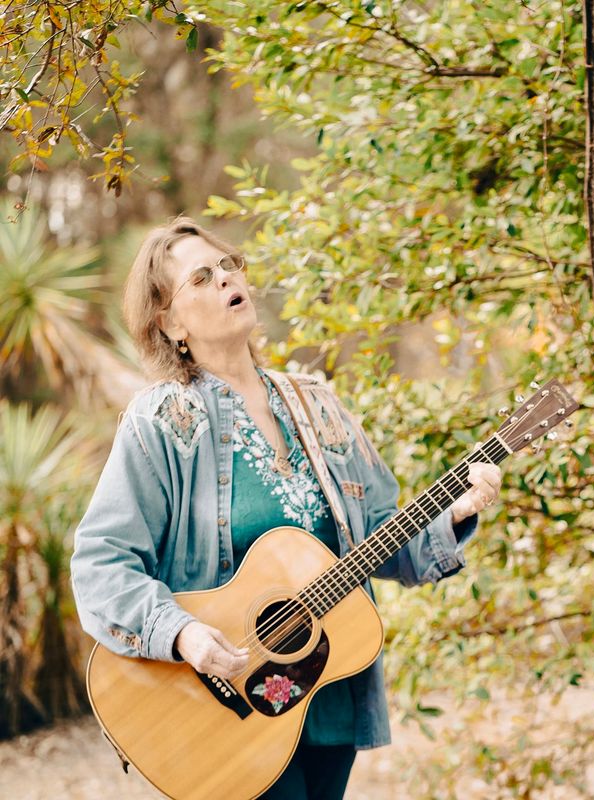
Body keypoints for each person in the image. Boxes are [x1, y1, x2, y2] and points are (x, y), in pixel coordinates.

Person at [70, 217, 502, 799]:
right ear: (170, 322)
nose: (225, 278)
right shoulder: (161, 423)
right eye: (202, 277)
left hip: (326, 699)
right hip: (220, 715)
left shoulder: (319, 405)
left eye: (229, 266)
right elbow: (100, 565)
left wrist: (454, 513)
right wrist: (183, 635)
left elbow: (380, 539)